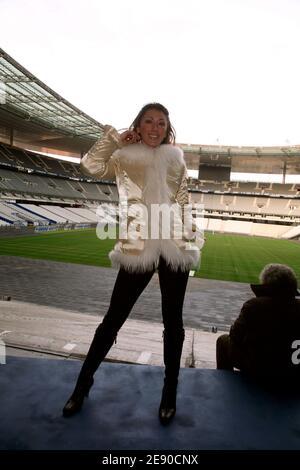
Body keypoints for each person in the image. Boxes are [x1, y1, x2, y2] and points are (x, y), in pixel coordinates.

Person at [63, 103, 204, 424]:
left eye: (161, 123)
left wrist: (192, 236)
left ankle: (170, 392)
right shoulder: (124, 157)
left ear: (168, 128)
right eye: (149, 121)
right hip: (138, 244)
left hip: (175, 245)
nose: (155, 127)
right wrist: (114, 140)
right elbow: (90, 166)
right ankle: (81, 386)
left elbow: (184, 200)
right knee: (112, 319)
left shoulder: (175, 159)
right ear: (138, 126)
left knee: (174, 323)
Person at [216, 263, 300, 382]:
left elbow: (235, 336)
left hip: (259, 368)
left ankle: (225, 383)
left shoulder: (254, 305)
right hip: (292, 369)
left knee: (222, 340)